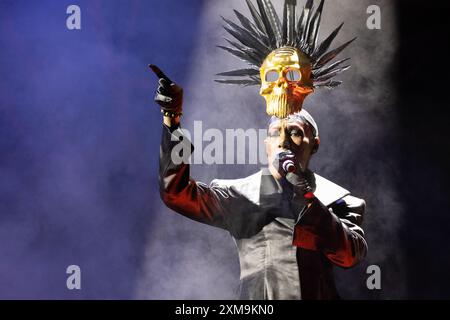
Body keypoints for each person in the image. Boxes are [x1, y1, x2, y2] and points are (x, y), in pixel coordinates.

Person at [149, 63, 367, 300]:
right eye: (275, 133)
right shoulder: (240, 195)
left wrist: (304, 195)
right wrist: (172, 119)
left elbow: (348, 255)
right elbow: (176, 193)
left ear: (314, 143)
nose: (283, 142)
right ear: (266, 146)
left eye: (294, 132)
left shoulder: (340, 201)